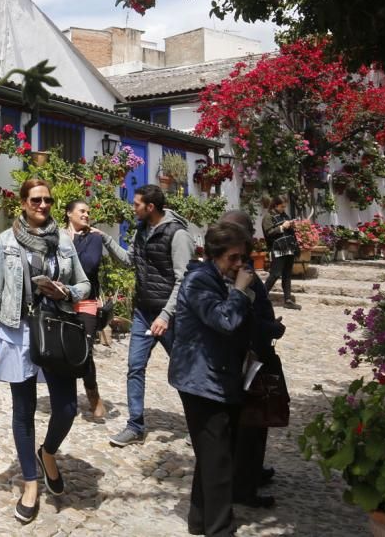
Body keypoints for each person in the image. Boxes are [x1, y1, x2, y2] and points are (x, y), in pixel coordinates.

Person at [0, 179, 91, 524]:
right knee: (23, 411)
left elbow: (85, 284)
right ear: (23, 203)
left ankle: (48, 453)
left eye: (48, 200)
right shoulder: (5, 242)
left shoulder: (64, 241)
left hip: (55, 331)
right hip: (18, 332)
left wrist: (66, 291)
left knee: (68, 408)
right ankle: (30, 483)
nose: (43, 205)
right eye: (36, 200)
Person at [169, 222, 256, 537]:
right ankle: (220, 529)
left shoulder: (221, 277)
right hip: (200, 380)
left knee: (212, 454)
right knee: (218, 461)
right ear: (215, 255)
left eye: (242, 259)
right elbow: (224, 320)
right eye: (233, 258)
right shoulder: (199, 281)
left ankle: (199, 519)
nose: (238, 265)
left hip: (218, 376)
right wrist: (241, 291)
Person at [94, 184, 192, 446]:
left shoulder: (178, 234)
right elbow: (129, 260)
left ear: (150, 207)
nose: (132, 208)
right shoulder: (142, 231)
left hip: (170, 317)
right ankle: (135, 425)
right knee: (135, 368)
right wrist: (104, 238)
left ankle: (199, 425)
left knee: (185, 372)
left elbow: (184, 280)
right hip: (143, 312)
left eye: (136, 204)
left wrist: (166, 315)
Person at [222, 210, 285, 508]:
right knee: (250, 425)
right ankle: (244, 487)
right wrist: (273, 328)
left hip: (248, 354)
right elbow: (243, 319)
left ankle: (249, 475)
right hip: (248, 358)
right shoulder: (236, 270)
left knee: (247, 426)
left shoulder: (234, 264)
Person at [65, 199, 107, 419]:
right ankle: (65, 399)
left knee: (84, 351)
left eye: (88, 212)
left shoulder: (94, 238)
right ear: (69, 214)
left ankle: (94, 396)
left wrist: (70, 248)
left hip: (86, 302)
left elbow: (89, 265)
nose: (86, 215)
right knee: (62, 351)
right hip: (62, 302)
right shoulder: (59, 236)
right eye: (82, 211)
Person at [261, 196, 301, 310]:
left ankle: (288, 300)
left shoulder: (284, 215)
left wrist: (291, 226)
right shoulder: (268, 217)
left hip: (288, 248)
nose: (284, 208)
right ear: (275, 205)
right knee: (275, 274)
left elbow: (289, 231)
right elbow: (269, 233)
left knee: (287, 274)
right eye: (282, 206)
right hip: (277, 249)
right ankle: (261, 296)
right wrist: (282, 227)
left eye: (285, 206)